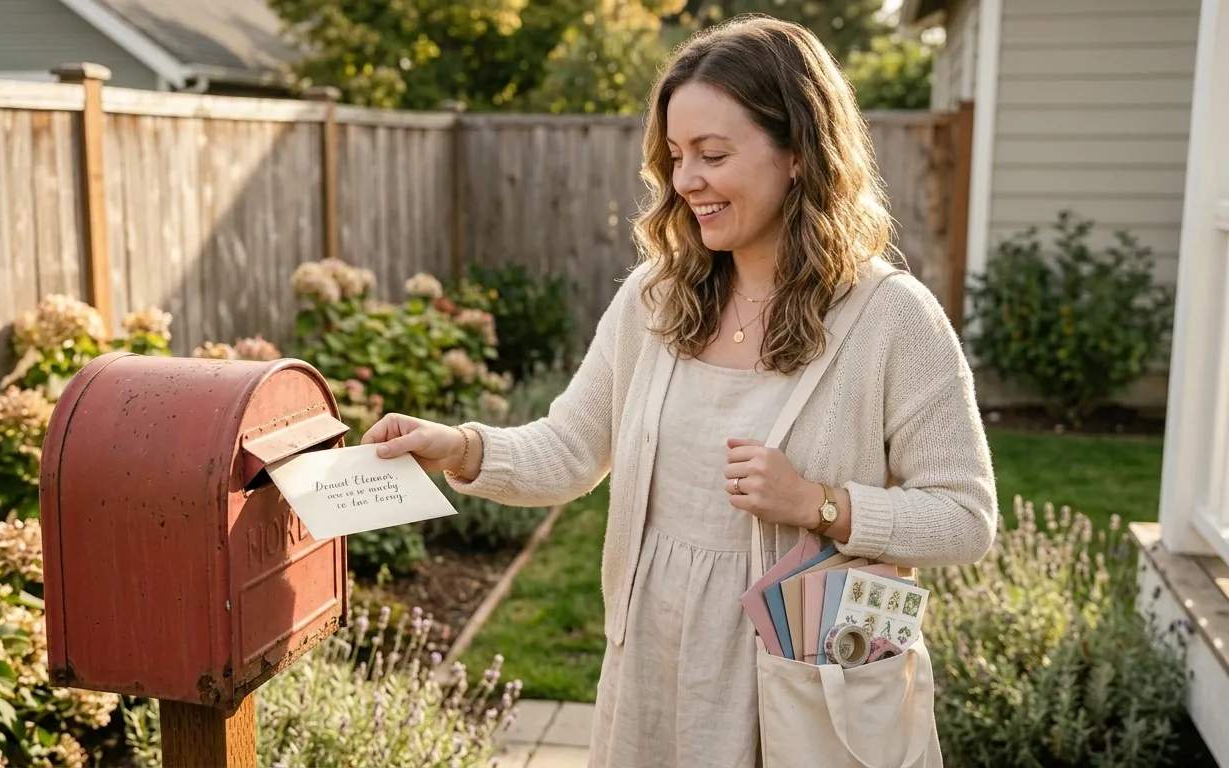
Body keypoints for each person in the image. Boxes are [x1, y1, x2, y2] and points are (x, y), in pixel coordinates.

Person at [361, 15, 997, 768]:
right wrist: (459, 447)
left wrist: (821, 504)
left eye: (713, 154)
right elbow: (570, 448)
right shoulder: (656, 300)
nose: (685, 179)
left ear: (797, 152)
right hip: (654, 666)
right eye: (675, 156)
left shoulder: (891, 318)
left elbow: (966, 517)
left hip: (800, 677)